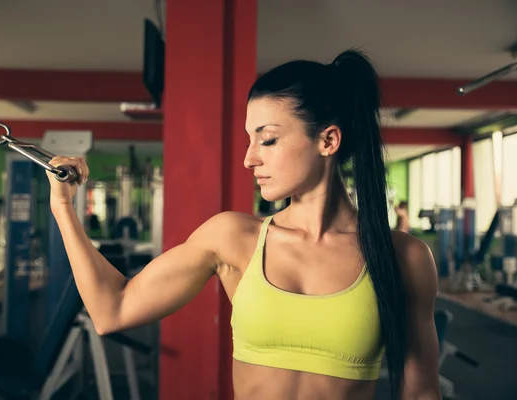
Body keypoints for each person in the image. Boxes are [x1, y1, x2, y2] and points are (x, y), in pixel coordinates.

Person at [47, 49, 441, 400]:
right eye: (248, 140)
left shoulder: (404, 258)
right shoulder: (233, 238)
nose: (249, 159)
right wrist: (64, 206)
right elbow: (111, 310)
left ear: (328, 140)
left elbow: (421, 391)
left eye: (267, 140)